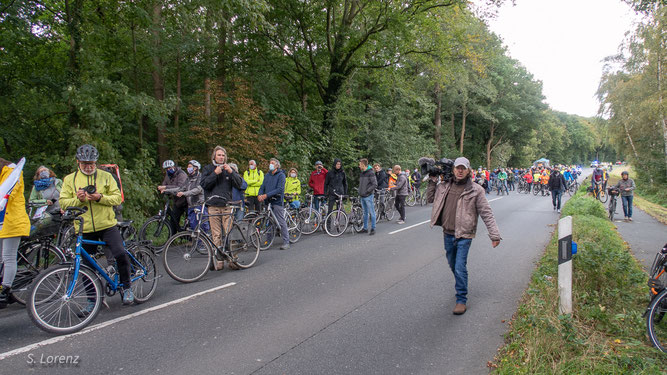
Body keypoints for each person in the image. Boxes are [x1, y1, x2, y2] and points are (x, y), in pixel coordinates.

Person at [426, 157, 501, 315]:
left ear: (468, 170)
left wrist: (494, 235)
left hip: (464, 234)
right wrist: (432, 181)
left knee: (460, 267)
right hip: (447, 233)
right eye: (457, 168)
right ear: (453, 169)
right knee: (453, 264)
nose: (460, 171)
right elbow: (430, 199)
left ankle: (461, 299)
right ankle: (462, 283)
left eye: (463, 168)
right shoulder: (444, 186)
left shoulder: (476, 190)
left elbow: (486, 213)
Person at [59, 145, 133, 305]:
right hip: (84, 228)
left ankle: (127, 288)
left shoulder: (106, 176)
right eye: (85, 163)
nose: (89, 167)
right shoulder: (69, 179)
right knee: (86, 266)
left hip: (107, 225)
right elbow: (63, 202)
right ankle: (92, 300)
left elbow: (117, 198)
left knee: (120, 253)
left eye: (92, 163)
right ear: (78, 162)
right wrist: (78, 199)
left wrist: (100, 197)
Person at [200, 146, 244, 261]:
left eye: (223, 155)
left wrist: (231, 172)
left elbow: (240, 184)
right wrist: (215, 173)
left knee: (230, 234)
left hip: (226, 206)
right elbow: (204, 184)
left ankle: (233, 259)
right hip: (213, 206)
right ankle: (218, 261)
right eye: (219, 155)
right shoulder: (208, 169)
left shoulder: (228, 169)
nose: (221, 157)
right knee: (216, 235)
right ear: (214, 156)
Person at [0, 158, 30, 308]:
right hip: (3, 223)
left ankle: (5, 289)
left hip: (13, 222)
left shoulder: (13, 173)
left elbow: (7, 195)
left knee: (8, 256)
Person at [164, 160, 209, 232]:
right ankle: (196, 242)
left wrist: (184, 193)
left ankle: (204, 242)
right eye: (188, 167)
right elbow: (180, 188)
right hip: (191, 206)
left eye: (190, 167)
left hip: (199, 206)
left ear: (195, 168)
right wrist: (167, 190)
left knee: (202, 227)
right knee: (194, 228)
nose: (188, 168)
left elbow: (197, 190)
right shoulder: (188, 179)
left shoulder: (200, 177)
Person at [258, 158, 290, 250]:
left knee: (280, 221)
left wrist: (266, 195)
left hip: (277, 200)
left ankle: (286, 241)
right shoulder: (267, 175)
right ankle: (268, 241)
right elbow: (262, 186)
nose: (270, 165)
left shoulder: (281, 175)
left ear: (277, 165)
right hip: (268, 201)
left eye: (272, 163)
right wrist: (260, 194)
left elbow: (280, 189)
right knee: (269, 221)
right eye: (270, 163)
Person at [157, 160, 188, 230]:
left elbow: (179, 188)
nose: (168, 170)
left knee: (189, 220)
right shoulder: (168, 175)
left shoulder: (181, 174)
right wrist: (162, 188)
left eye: (170, 168)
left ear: (174, 166)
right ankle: (172, 238)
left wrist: (165, 188)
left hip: (186, 200)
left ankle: (191, 237)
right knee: (173, 220)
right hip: (177, 201)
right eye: (167, 169)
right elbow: (164, 183)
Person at [358, 159, 377, 235]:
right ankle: (365, 228)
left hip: (368, 195)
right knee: (365, 213)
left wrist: (367, 191)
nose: (359, 166)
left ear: (363, 164)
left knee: (372, 212)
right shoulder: (362, 173)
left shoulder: (371, 173)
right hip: (362, 195)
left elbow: (375, 184)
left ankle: (373, 228)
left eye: (360, 164)